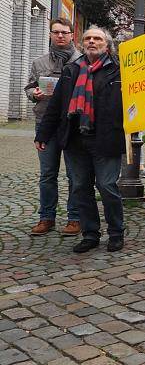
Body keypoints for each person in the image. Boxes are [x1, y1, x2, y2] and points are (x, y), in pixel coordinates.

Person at [35, 27, 126, 253]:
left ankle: (116, 232)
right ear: (82, 43)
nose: (92, 42)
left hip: (106, 139)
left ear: (107, 44)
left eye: (97, 38)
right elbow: (57, 105)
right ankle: (90, 233)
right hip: (76, 140)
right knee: (80, 188)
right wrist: (43, 134)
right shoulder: (72, 70)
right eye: (88, 38)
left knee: (107, 186)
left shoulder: (119, 71)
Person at [25, 17, 82, 236]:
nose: (60, 36)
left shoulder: (81, 61)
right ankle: (46, 217)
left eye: (64, 32)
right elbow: (29, 87)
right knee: (47, 174)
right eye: (56, 32)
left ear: (71, 35)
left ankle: (75, 218)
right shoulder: (39, 63)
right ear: (50, 34)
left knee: (74, 174)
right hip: (45, 124)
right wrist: (34, 94)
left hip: (72, 125)